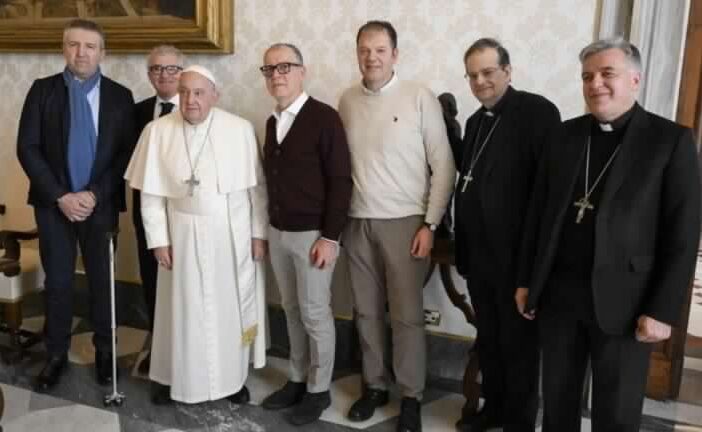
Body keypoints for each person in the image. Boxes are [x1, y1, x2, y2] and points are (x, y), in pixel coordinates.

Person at [516, 37, 701, 431]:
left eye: (607, 74)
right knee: (558, 401)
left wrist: (663, 310)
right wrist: (526, 282)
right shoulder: (564, 137)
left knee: (616, 411)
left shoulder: (669, 141)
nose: (595, 83)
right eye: (587, 76)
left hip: (627, 300)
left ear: (635, 80)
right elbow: (538, 215)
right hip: (560, 295)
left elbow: (682, 235)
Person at [124, 65, 268, 405]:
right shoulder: (157, 132)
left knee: (228, 311)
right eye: (185, 92)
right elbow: (151, 195)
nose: (191, 100)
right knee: (180, 311)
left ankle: (232, 379)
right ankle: (174, 377)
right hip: (180, 236)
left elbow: (256, 191)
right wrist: (158, 240)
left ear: (214, 95)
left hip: (229, 237)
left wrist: (258, 235)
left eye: (199, 92)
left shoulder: (239, 129)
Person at [338, 20, 456, 432]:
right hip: (357, 221)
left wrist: (430, 223)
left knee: (406, 316)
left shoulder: (418, 97)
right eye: (365, 50)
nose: (371, 57)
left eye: (380, 50)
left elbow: (444, 166)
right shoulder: (347, 101)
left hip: (406, 223)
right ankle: (374, 386)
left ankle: (411, 396)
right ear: (357, 54)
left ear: (395, 54)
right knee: (365, 312)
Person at [17, 18, 136, 392]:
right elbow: (28, 148)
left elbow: (124, 155)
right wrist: (61, 196)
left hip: (99, 206)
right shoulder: (42, 91)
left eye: (89, 46)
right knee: (59, 282)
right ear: (63, 49)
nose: (80, 52)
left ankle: (104, 352)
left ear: (102, 52)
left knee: (102, 282)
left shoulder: (121, 96)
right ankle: (55, 356)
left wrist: (94, 194)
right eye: (73, 45)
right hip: (54, 205)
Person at [453, 38, 561, 432]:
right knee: (492, 342)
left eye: (488, 72)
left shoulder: (538, 113)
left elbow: (547, 195)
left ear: (508, 71)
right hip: (479, 257)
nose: (480, 81)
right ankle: (493, 409)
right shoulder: (475, 121)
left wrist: (532, 271)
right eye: (473, 75)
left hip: (517, 259)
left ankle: (518, 423)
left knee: (519, 349)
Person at [259, 43, 352, 426]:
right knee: (291, 310)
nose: (277, 74)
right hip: (279, 232)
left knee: (315, 314)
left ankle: (318, 389)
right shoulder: (271, 121)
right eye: (269, 69)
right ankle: (296, 378)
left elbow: (341, 180)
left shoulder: (323, 118)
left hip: (313, 235)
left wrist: (330, 237)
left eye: (285, 67)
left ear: (302, 71)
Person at [132, 44, 184, 376]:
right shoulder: (135, 113)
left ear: (183, 71)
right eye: (155, 69)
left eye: (170, 69)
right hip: (147, 216)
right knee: (153, 285)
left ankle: (187, 351)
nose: (163, 75)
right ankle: (160, 350)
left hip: (187, 217)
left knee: (187, 286)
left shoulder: (198, 108)